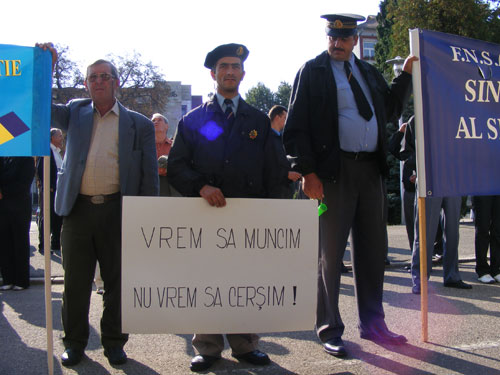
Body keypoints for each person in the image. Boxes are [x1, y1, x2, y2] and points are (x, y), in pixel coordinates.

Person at [283, 14, 417, 357]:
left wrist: (404, 77)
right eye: (333, 37)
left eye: (344, 38)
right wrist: (308, 173)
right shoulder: (312, 71)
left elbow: (387, 110)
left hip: (369, 171)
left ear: (355, 40)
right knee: (329, 255)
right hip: (331, 174)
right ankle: (329, 328)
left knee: (373, 252)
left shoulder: (369, 72)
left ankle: (374, 325)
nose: (337, 43)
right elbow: (295, 128)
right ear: (327, 37)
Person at [37, 43, 159, 367]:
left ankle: (114, 343)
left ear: (116, 82)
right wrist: (46, 67)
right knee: (75, 283)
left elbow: (149, 177)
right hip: (77, 210)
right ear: (87, 84)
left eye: (105, 76)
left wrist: (145, 219)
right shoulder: (75, 112)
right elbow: (42, 108)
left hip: (117, 212)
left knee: (117, 283)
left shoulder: (140, 125)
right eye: (93, 77)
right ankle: (74, 343)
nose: (99, 81)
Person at [168, 43, 284, 372]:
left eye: (235, 66)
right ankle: (207, 346)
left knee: (244, 280)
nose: (230, 71)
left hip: (248, 218)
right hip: (206, 215)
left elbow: (274, 172)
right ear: (213, 73)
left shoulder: (258, 121)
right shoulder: (195, 120)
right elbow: (177, 167)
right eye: (224, 66)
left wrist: (273, 215)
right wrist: (200, 187)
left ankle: (246, 344)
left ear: (243, 73)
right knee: (207, 279)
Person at [0, 157, 35, 291]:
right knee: (4, 243)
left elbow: (24, 183)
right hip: (3, 207)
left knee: (19, 243)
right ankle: (8, 279)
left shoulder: (26, 159)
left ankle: (21, 280)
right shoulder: (3, 159)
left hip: (19, 205)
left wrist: (4, 192)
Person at [37, 128, 64, 254]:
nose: (61, 138)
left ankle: (55, 244)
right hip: (50, 191)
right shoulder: (47, 151)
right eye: (59, 136)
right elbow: (41, 170)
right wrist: (49, 187)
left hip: (59, 191)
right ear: (52, 137)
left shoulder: (58, 152)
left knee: (58, 217)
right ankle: (43, 244)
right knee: (47, 217)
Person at [268, 105, 301, 198]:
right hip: (270, 195)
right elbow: (264, 165)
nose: (287, 122)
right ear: (277, 117)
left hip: (284, 192)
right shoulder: (265, 138)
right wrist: (286, 174)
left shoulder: (282, 139)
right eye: (285, 118)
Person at [472, 195, 500, 283]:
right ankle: (482, 270)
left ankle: (496, 269)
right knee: (483, 228)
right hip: (482, 188)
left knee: (498, 230)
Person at [151, 113, 175, 196]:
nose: (155, 122)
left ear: (167, 126)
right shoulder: (145, 146)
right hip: (150, 184)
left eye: (159, 120)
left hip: (170, 185)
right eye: (153, 121)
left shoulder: (174, 146)